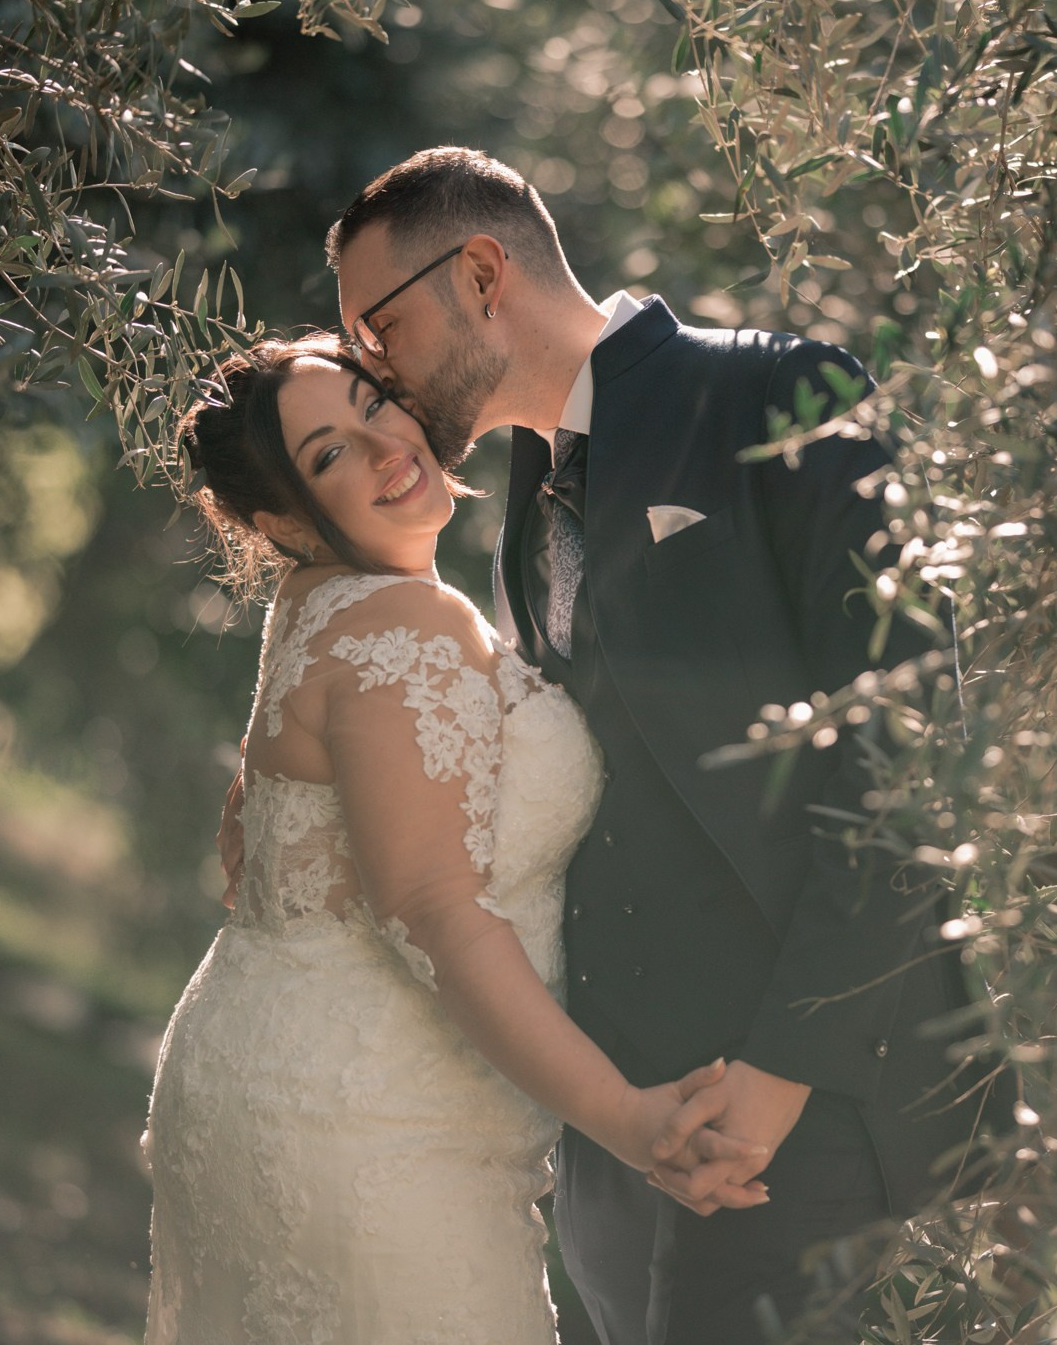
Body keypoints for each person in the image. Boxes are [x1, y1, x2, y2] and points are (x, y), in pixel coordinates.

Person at [319, 147, 1008, 1345]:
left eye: (381, 328)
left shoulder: (783, 400)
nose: (375, 371)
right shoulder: (519, 513)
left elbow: (903, 763)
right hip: (625, 1141)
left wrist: (777, 1079)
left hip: (805, 1113)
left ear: (482, 273)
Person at [143, 335, 760, 1345]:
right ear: (283, 522)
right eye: (330, 454)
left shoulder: (319, 605)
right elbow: (432, 906)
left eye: (370, 403)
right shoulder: (403, 620)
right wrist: (626, 1117)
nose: (385, 446)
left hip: (273, 1067)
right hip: (365, 1125)